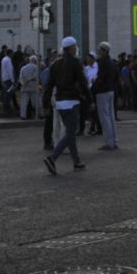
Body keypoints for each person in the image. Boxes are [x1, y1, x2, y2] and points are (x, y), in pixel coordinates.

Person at [43, 36, 90, 173]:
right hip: (72, 101)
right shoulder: (76, 62)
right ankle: (52, 158)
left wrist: (45, 104)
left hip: (60, 103)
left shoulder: (55, 64)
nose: (76, 48)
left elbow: (49, 86)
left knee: (70, 132)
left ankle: (77, 162)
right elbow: (83, 83)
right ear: (71, 47)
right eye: (75, 46)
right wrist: (89, 100)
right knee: (70, 133)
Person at [92, 41, 119, 149]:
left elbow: (100, 78)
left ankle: (109, 142)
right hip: (111, 90)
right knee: (111, 117)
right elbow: (116, 77)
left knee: (104, 117)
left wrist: (93, 88)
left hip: (102, 91)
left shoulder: (102, 62)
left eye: (100, 50)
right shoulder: (112, 62)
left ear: (104, 51)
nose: (98, 51)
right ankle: (114, 140)